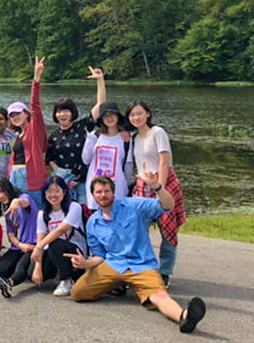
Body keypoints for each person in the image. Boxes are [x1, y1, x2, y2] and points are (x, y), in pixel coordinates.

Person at [67, 175, 206, 334]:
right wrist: (85, 263)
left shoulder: (133, 205)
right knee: (77, 293)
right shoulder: (93, 223)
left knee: (159, 296)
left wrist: (157, 188)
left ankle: (184, 316)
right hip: (113, 265)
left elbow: (168, 205)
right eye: (98, 192)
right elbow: (99, 255)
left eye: (106, 191)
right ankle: (118, 284)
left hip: (142, 265)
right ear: (93, 195)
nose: (103, 195)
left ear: (113, 192)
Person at [0, 176, 87, 298]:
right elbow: (40, 239)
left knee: (54, 243)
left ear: (64, 192)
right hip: (52, 251)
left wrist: (38, 248)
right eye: (49, 191)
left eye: (57, 191)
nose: (53, 195)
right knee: (30, 270)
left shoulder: (74, 207)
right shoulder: (43, 214)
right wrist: (38, 266)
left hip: (75, 253)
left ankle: (66, 280)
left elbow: (60, 230)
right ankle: (10, 283)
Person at [126, 101, 186, 288]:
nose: (136, 117)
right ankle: (139, 268)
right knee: (137, 230)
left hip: (163, 183)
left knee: (168, 231)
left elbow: (164, 161)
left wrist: (160, 186)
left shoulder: (157, 132)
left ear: (148, 114)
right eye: (132, 115)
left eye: (139, 113)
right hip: (142, 186)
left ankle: (165, 273)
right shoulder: (134, 137)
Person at [46, 66, 106, 204]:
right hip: (65, 184)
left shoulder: (82, 127)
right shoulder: (54, 137)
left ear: (72, 112)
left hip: (85, 181)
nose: (62, 114)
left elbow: (100, 106)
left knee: (86, 213)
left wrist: (100, 81)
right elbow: (50, 159)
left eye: (66, 111)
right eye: (59, 111)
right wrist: (65, 177)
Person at [7, 56, 48, 209]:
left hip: (31, 177)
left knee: (36, 212)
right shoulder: (18, 136)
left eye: (18, 113)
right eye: (12, 115)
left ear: (26, 113)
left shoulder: (34, 129)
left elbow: (36, 106)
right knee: (18, 215)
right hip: (15, 177)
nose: (15, 117)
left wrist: (36, 80)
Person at [82, 100, 132, 210]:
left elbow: (128, 165)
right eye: (106, 116)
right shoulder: (95, 136)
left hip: (117, 188)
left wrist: (126, 187)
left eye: (112, 115)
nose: (109, 118)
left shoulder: (126, 139)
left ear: (118, 117)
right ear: (102, 119)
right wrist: (90, 139)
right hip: (96, 187)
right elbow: (85, 160)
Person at [0, 177, 38, 280]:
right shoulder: (7, 210)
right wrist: (20, 245)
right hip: (18, 247)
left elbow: (25, 202)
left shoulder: (24, 198)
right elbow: (10, 234)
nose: (0, 196)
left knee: (23, 271)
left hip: (32, 246)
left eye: (2, 191)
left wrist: (17, 201)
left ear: (9, 188)